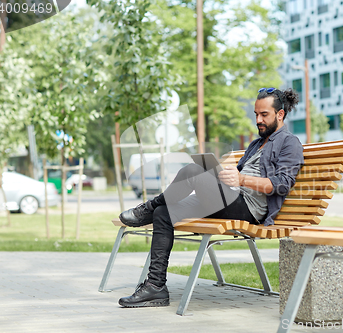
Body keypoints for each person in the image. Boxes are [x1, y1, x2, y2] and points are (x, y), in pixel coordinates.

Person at [117, 87, 304, 308]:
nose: (258, 120)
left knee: (193, 171)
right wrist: (222, 175)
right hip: (231, 198)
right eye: (256, 114)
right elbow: (237, 178)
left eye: (264, 115)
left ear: (280, 114)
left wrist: (241, 179)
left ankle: (146, 208)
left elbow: (282, 184)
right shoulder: (256, 144)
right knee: (163, 212)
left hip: (248, 209)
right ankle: (156, 287)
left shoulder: (289, 143)